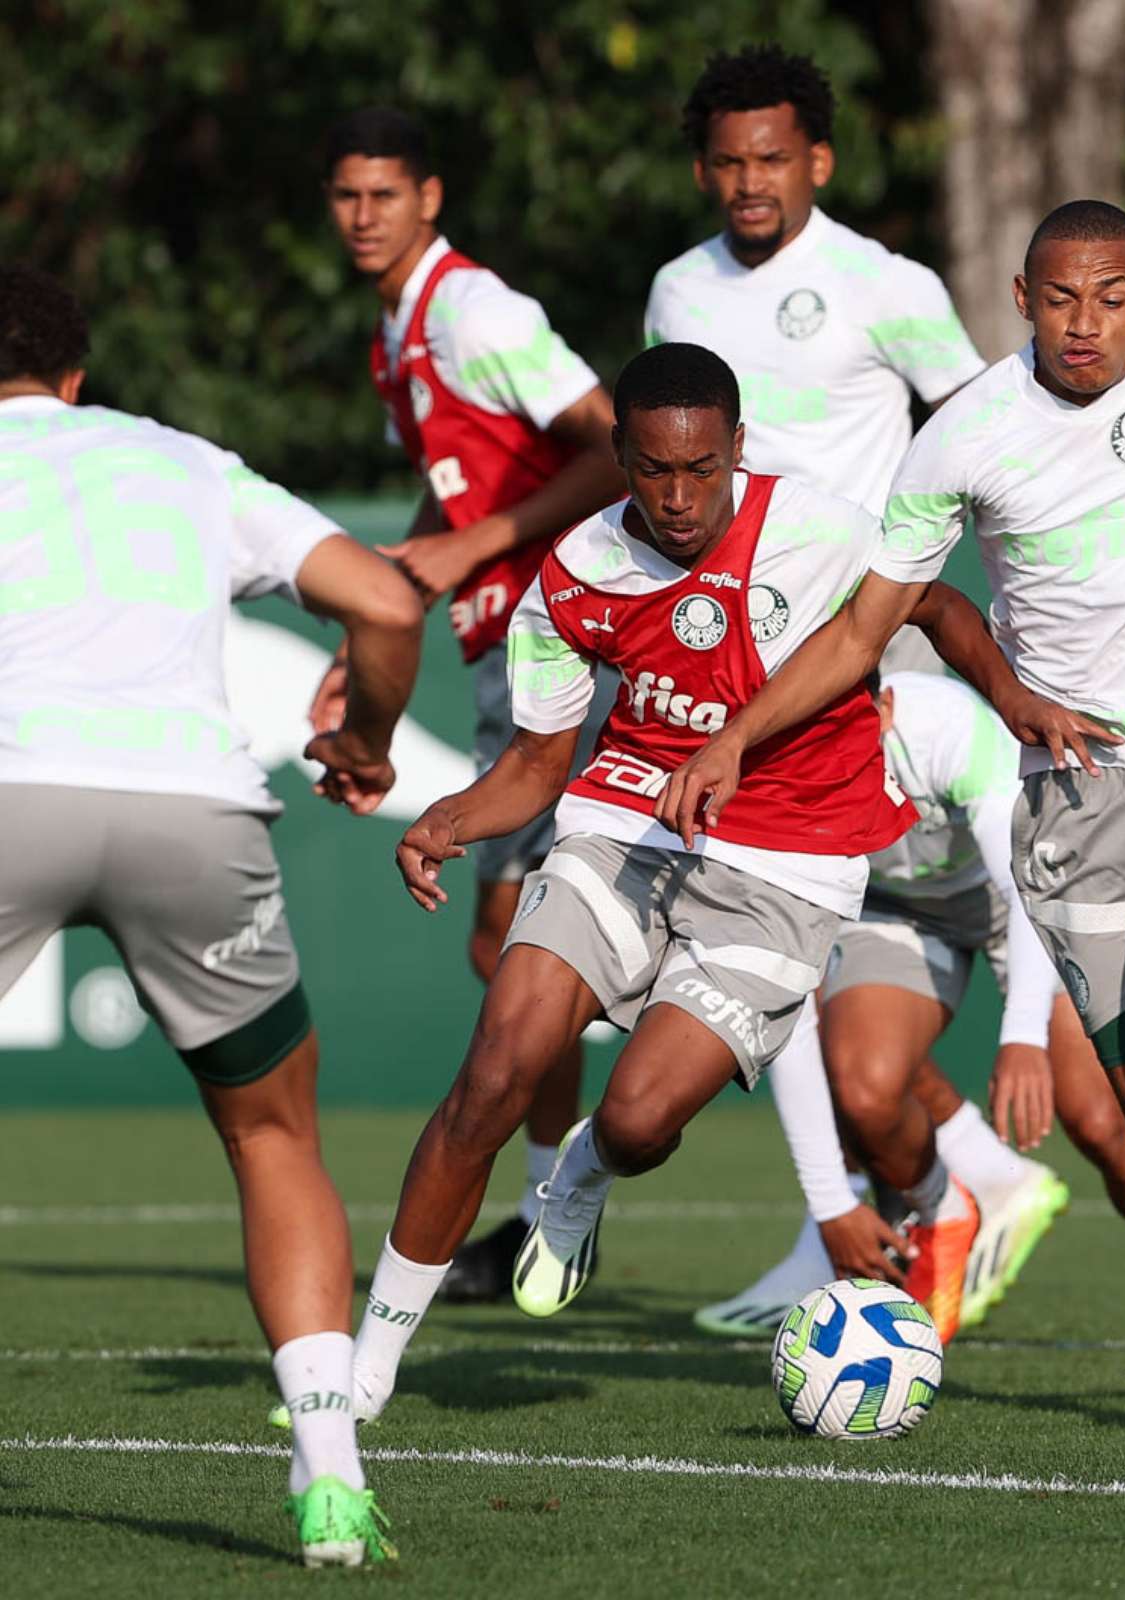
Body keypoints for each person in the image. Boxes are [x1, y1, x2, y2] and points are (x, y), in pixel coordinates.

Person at [346, 341, 946, 1424]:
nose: (678, 497)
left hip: (788, 873)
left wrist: (974, 697)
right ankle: (364, 1368)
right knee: (495, 1071)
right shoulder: (576, 570)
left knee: (633, 1122)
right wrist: (446, 820)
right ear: (619, 453)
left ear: (738, 450)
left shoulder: (824, 531)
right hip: (620, 838)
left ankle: (580, 1181)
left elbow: (928, 608)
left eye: (702, 469)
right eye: (654, 469)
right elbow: (536, 764)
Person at [653, 200, 1125, 1363]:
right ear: (1019, 302)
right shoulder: (962, 436)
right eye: (1059, 298)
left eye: (1111, 298)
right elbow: (871, 629)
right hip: (1077, 779)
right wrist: (734, 737)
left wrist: (1012, 1037)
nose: (1084, 322)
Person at [0, 264, 424, 1566]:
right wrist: (364, 738)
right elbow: (391, 601)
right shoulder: (180, 460)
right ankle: (332, 1476)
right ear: (79, 377)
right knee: (272, 1136)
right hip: (189, 809)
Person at [318, 107, 626, 1301]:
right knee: (507, 943)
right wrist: (378, 608)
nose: (362, 216)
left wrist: (470, 549)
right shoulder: (395, 328)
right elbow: (454, 505)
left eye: (383, 194)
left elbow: (616, 446)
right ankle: (556, 1215)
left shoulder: (475, 312)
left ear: (429, 198)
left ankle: (564, 1211)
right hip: (512, 654)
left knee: (545, 942)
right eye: (346, 195)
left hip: (575, 647)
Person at [696, 670, 1125, 1340]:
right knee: (864, 1088)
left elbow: (1020, 886)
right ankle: (947, 1205)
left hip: (1025, 893)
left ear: (886, 703)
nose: (826, 739)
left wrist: (1022, 1039)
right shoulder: (769, 782)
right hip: (899, 916)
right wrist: (830, 1202)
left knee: (1099, 1120)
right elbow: (782, 1002)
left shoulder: (945, 727)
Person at [645, 44, 985, 519]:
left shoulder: (888, 281)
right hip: (724, 582)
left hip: (860, 578)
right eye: (729, 163)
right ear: (702, 171)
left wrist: (912, 553)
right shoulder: (676, 288)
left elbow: (981, 431)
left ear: (819, 163)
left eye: (772, 159)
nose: (750, 183)